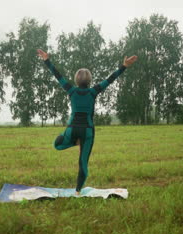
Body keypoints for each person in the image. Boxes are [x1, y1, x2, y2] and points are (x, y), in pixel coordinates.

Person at [37, 49, 137, 195]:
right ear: (89, 81)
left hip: (72, 129)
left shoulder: (71, 90)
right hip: (88, 131)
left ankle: (74, 141)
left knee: (57, 145)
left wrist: (47, 60)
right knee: (82, 163)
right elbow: (110, 79)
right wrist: (124, 66)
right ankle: (78, 191)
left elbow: (58, 76)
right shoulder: (93, 91)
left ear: (76, 80)